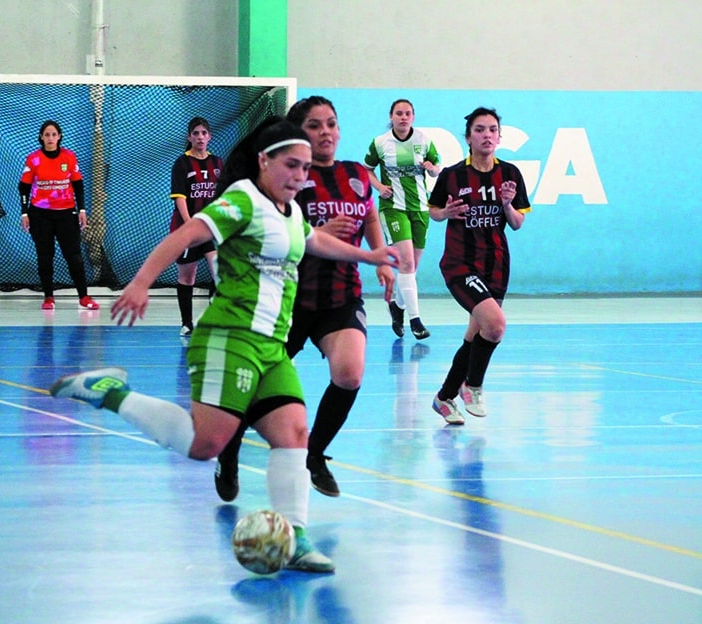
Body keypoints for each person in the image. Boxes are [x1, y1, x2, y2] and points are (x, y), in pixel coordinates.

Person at [49, 117, 398, 574]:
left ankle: (294, 537)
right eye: (291, 165)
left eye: (306, 168)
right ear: (263, 161)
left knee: (293, 434)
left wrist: (368, 256)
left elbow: (314, 241)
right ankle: (110, 393)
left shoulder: (292, 211)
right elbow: (184, 236)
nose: (300, 176)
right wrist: (140, 282)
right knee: (204, 445)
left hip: (271, 345)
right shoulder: (242, 201)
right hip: (230, 337)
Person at [213, 96, 395, 501]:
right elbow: (269, 233)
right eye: (315, 126)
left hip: (340, 296)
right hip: (287, 300)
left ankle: (315, 454)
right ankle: (229, 447)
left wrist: (379, 258)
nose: (326, 132)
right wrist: (316, 229)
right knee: (255, 385)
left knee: (350, 373)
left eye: (331, 124)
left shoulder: (356, 175)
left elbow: (368, 215)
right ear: (298, 135)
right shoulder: (285, 180)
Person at [427, 106, 530, 424]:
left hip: (496, 264)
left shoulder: (510, 174)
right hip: (460, 263)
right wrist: (446, 213)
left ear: (499, 136)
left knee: (476, 335)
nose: (487, 135)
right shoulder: (453, 175)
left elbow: (516, 224)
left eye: (492, 130)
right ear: (468, 137)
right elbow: (433, 211)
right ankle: (472, 385)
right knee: (496, 325)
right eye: (480, 129)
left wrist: (507, 204)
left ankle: (444, 398)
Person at [363, 99, 440, 340]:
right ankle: (416, 320)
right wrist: (378, 186)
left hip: (419, 208)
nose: (403, 117)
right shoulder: (381, 143)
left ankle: (398, 305)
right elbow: (366, 169)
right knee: (406, 262)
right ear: (392, 116)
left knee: (411, 267)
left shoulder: (424, 140)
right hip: (393, 208)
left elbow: (437, 167)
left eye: (408, 113)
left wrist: (431, 167)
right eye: (399, 113)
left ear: (413, 117)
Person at [19, 120, 99, 310]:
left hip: (66, 214)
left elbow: (78, 184)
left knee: (74, 256)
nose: (50, 138)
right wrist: (24, 213)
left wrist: (82, 210)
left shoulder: (69, 157)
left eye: (54, 134)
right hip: (40, 215)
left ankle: (84, 297)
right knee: (45, 256)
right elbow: (24, 187)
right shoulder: (33, 159)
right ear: (41, 137)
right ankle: (48, 297)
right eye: (47, 135)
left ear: (59, 137)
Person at [169, 116, 223, 337]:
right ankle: (187, 323)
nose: (200, 137)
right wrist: (190, 224)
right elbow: (180, 197)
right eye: (196, 133)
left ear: (209, 136)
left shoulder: (218, 163)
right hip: (186, 229)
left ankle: (213, 320)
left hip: (209, 229)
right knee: (187, 278)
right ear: (189, 137)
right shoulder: (181, 163)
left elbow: (222, 195)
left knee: (219, 272)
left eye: (203, 133)